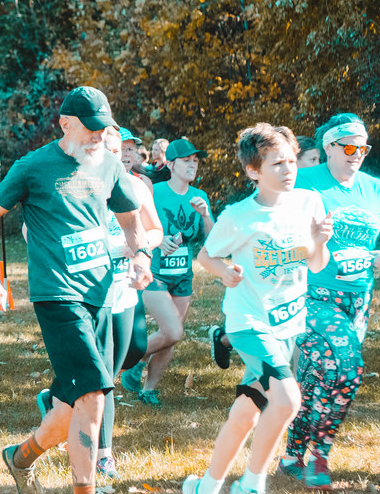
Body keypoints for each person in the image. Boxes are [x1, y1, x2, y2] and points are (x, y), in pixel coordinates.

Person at [0, 86, 152, 494]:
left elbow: (130, 221)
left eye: (102, 128)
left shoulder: (109, 165)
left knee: (69, 406)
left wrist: (140, 257)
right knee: (93, 392)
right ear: (65, 123)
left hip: (102, 293)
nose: (96, 135)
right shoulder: (32, 167)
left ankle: (19, 458)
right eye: (90, 128)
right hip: (57, 294)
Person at [184, 123, 333, 494]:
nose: (288, 170)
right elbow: (206, 254)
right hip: (249, 322)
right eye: (276, 164)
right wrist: (224, 273)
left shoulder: (309, 202)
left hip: (288, 324)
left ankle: (206, 485)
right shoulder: (238, 216)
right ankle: (251, 485)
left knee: (247, 412)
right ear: (253, 171)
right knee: (287, 399)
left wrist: (317, 242)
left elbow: (316, 265)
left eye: (290, 161)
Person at [279, 113, 380, 489]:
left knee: (318, 377)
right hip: (309, 295)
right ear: (328, 148)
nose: (358, 154)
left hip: (358, 301)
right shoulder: (303, 183)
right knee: (348, 368)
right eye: (350, 146)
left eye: (363, 147)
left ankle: (291, 454)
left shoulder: (376, 190)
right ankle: (320, 454)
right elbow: (266, 217)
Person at [36, 124, 164, 481]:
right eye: (105, 146)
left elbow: (155, 230)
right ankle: (104, 454)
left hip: (124, 283)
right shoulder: (75, 183)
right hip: (85, 288)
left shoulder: (136, 185)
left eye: (117, 148)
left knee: (135, 350)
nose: (113, 153)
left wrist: (138, 248)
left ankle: (58, 397)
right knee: (103, 375)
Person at [122, 137, 213, 406]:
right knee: (173, 331)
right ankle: (126, 361)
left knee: (170, 337)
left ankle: (148, 389)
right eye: (187, 161)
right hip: (154, 273)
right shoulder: (155, 191)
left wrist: (206, 214)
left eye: (195, 161)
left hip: (183, 276)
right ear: (171, 164)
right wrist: (157, 238)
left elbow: (214, 239)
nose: (192, 165)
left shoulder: (201, 197)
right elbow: (136, 224)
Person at [120, 127, 153, 194]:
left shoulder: (144, 182)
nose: (127, 154)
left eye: (130, 149)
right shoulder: (102, 182)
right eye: (122, 149)